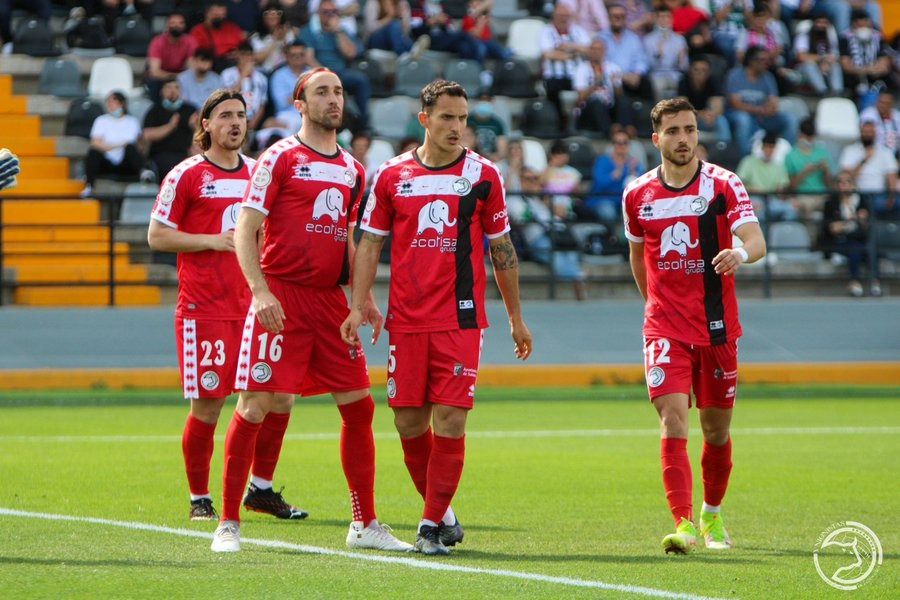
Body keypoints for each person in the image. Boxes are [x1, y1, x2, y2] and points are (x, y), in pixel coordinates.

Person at [211, 68, 413, 553]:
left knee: (359, 406)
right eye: (322, 91)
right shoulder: (278, 157)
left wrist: (361, 297)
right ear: (299, 102)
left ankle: (363, 524)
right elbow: (245, 229)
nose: (334, 99)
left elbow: (349, 239)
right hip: (281, 294)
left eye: (339, 91)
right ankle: (228, 523)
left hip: (328, 302)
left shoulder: (352, 169)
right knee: (254, 404)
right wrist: (259, 291)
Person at [341, 79, 532, 555]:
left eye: (463, 118)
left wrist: (515, 318)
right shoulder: (390, 175)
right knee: (409, 424)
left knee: (449, 419)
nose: (457, 127)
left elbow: (501, 250)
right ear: (423, 119)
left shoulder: (485, 175)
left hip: (460, 319)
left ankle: (427, 526)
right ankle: (444, 514)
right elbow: (369, 244)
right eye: (447, 117)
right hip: (406, 321)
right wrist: (356, 303)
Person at [147, 89, 308, 524]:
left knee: (280, 398)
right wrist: (210, 241)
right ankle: (200, 496)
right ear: (206, 125)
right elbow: (157, 235)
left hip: (258, 306)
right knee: (210, 404)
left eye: (241, 115)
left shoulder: (260, 173)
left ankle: (261, 489)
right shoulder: (187, 175)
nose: (235, 123)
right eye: (225, 116)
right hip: (206, 308)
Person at [623, 96, 766, 554]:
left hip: (718, 329)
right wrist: (656, 309)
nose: (683, 138)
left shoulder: (724, 185)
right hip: (664, 328)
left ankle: (712, 514)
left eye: (689, 129)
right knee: (672, 419)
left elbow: (756, 240)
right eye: (673, 131)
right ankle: (683, 523)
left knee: (717, 431)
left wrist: (739, 254)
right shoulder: (637, 194)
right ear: (656, 139)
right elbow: (636, 257)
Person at [300, 0, 371, 129]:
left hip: (341, 73)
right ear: (318, 13)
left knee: (361, 80)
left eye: (333, 12)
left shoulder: (341, 30)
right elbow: (308, 58)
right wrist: (325, 74)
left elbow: (351, 53)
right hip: (319, 73)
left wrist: (337, 31)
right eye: (325, 12)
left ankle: (363, 122)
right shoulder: (309, 30)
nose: (329, 15)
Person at [724, 46, 798, 157]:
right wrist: (760, 109)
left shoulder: (768, 77)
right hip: (737, 114)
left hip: (762, 117)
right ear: (752, 61)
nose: (767, 63)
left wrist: (768, 108)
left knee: (789, 119)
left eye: (768, 60)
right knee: (743, 119)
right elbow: (735, 104)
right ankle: (745, 159)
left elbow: (773, 103)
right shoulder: (735, 75)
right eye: (763, 60)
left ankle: (785, 158)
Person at [821, 171, 881, 297]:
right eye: (840, 182)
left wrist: (862, 220)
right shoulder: (831, 203)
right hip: (839, 240)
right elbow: (832, 228)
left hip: (859, 237)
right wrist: (850, 219)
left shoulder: (862, 201)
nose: (843, 185)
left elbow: (867, 226)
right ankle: (854, 282)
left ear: (853, 185)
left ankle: (874, 282)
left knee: (871, 249)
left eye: (847, 181)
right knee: (854, 249)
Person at [81, 91, 144, 198]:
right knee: (93, 153)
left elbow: (138, 145)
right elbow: (95, 143)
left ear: (122, 103)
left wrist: (124, 146)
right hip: (107, 161)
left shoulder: (132, 121)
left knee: (131, 148)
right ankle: (89, 186)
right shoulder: (101, 120)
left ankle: (144, 174)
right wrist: (118, 145)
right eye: (108, 102)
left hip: (125, 163)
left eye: (113, 101)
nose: (110, 105)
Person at [539, 2, 591, 123]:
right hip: (555, 75)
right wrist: (573, 55)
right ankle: (558, 120)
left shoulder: (578, 31)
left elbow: (590, 49)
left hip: (577, 74)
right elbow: (548, 53)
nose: (563, 18)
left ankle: (582, 121)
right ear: (553, 15)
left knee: (590, 86)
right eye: (560, 15)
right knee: (551, 88)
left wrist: (569, 46)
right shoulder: (546, 31)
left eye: (566, 15)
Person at [838, 120, 899, 217]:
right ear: (860, 132)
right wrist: (863, 160)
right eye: (865, 132)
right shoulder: (850, 150)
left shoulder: (885, 152)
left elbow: (892, 176)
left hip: (878, 194)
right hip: (856, 194)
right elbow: (845, 176)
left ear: (875, 133)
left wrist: (891, 197)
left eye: (870, 132)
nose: (868, 134)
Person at [142, 80, 198, 181]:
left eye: (176, 87)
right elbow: (147, 134)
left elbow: (202, 133)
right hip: (161, 155)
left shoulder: (190, 110)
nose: (172, 91)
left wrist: (195, 126)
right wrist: (170, 127)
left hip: (186, 155)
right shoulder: (154, 111)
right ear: (162, 91)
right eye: (168, 87)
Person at [572, 38, 629, 136]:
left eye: (598, 49)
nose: (595, 52)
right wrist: (596, 83)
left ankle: (625, 130)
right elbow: (581, 96)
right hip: (588, 109)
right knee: (597, 103)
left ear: (604, 51)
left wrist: (615, 84)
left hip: (608, 106)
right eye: (593, 49)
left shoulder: (612, 67)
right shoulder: (581, 68)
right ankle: (610, 132)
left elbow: (619, 94)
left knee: (623, 101)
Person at [735, 131, 795, 222]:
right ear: (762, 147)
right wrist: (753, 189)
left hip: (772, 200)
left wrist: (781, 193)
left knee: (790, 210)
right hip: (752, 197)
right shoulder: (748, 161)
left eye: (772, 147)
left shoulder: (779, 166)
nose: (769, 150)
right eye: (767, 147)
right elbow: (737, 185)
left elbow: (781, 189)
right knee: (758, 210)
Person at [599, 4, 654, 101]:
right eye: (615, 16)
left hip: (632, 77)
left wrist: (637, 74)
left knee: (646, 83)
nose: (618, 18)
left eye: (621, 16)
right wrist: (622, 75)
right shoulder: (600, 38)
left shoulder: (633, 38)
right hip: (611, 79)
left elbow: (641, 60)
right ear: (608, 18)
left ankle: (651, 114)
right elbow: (601, 63)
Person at [587, 127, 643, 223]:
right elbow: (598, 184)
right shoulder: (602, 160)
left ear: (629, 145)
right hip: (603, 199)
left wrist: (634, 175)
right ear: (612, 144)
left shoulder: (633, 163)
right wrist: (612, 176)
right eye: (617, 142)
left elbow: (641, 188)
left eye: (624, 142)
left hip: (624, 202)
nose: (621, 146)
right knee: (608, 212)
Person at [784, 117, 834, 217]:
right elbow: (791, 186)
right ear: (800, 135)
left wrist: (825, 171)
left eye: (811, 136)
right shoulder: (791, 155)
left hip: (822, 196)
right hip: (803, 196)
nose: (809, 140)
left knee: (833, 205)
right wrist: (804, 172)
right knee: (804, 206)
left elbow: (830, 184)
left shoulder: (823, 153)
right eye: (806, 136)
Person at [145, 12, 198, 101]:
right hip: (161, 76)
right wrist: (175, 76)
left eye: (180, 23)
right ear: (167, 25)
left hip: (180, 73)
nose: (177, 26)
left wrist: (180, 77)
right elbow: (155, 71)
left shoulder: (190, 41)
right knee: (154, 82)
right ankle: (157, 110)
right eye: (173, 23)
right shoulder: (157, 41)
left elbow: (191, 68)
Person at [677, 55, 731, 143]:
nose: (700, 73)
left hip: (707, 119)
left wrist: (711, 114)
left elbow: (718, 107)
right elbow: (682, 109)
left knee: (721, 121)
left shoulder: (713, 82)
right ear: (690, 71)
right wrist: (702, 113)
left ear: (709, 72)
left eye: (703, 70)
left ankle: (723, 150)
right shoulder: (683, 82)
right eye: (696, 70)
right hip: (691, 119)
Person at [643, 5, 690, 102]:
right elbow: (647, 66)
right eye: (661, 17)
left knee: (684, 86)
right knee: (657, 86)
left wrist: (680, 59)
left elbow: (685, 67)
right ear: (656, 19)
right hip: (657, 75)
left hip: (675, 74)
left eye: (667, 16)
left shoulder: (679, 39)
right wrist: (658, 55)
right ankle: (658, 115)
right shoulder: (648, 39)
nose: (664, 20)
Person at [221, 41, 269, 134]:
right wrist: (243, 75)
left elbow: (262, 103)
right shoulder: (227, 74)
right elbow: (229, 97)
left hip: (253, 120)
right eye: (243, 55)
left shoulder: (261, 78)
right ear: (237, 55)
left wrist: (254, 121)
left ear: (253, 56)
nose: (246, 59)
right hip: (232, 118)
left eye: (249, 55)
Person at [793, 13, 842, 95]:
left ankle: (837, 93)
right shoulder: (805, 33)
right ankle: (822, 92)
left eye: (824, 23)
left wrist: (827, 62)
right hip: (803, 69)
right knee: (809, 65)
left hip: (825, 66)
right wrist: (821, 58)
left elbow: (835, 55)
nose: (821, 25)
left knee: (835, 65)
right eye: (819, 22)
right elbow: (801, 56)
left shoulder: (829, 33)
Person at [189, 1, 246, 70]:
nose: (220, 18)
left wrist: (237, 53)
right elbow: (198, 55)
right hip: (210, 66)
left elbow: (245, 47)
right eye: (216, 15)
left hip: (235, 65)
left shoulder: (233, 27)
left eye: (222, 15)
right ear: (207, 13)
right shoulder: (197, 31)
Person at [250, 2, 298, 74]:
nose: (272, 18)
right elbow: (258, 59)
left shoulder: (288, 34)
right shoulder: (257, 36)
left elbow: (293, 57)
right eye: (269, 15)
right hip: (264, 72)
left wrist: (284, 39)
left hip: (284, 72)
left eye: (276, 16)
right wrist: (275, 41)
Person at [178, 48, 225, 112]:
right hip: (188, 112)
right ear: (194, 60)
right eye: (202, 60)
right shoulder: (182, 78)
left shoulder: (216, 79)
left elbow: (218, 100)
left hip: (209, 112)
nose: (205, 63)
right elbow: (183, 100)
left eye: (208, 61)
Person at [859, 90, 900, 158]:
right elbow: (866, 136)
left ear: (892, 104)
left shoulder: (897, 116)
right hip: (875, 154)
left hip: (896, 154)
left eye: (886, 103)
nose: (883, 106)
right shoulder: (868, 115)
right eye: (881, 102)